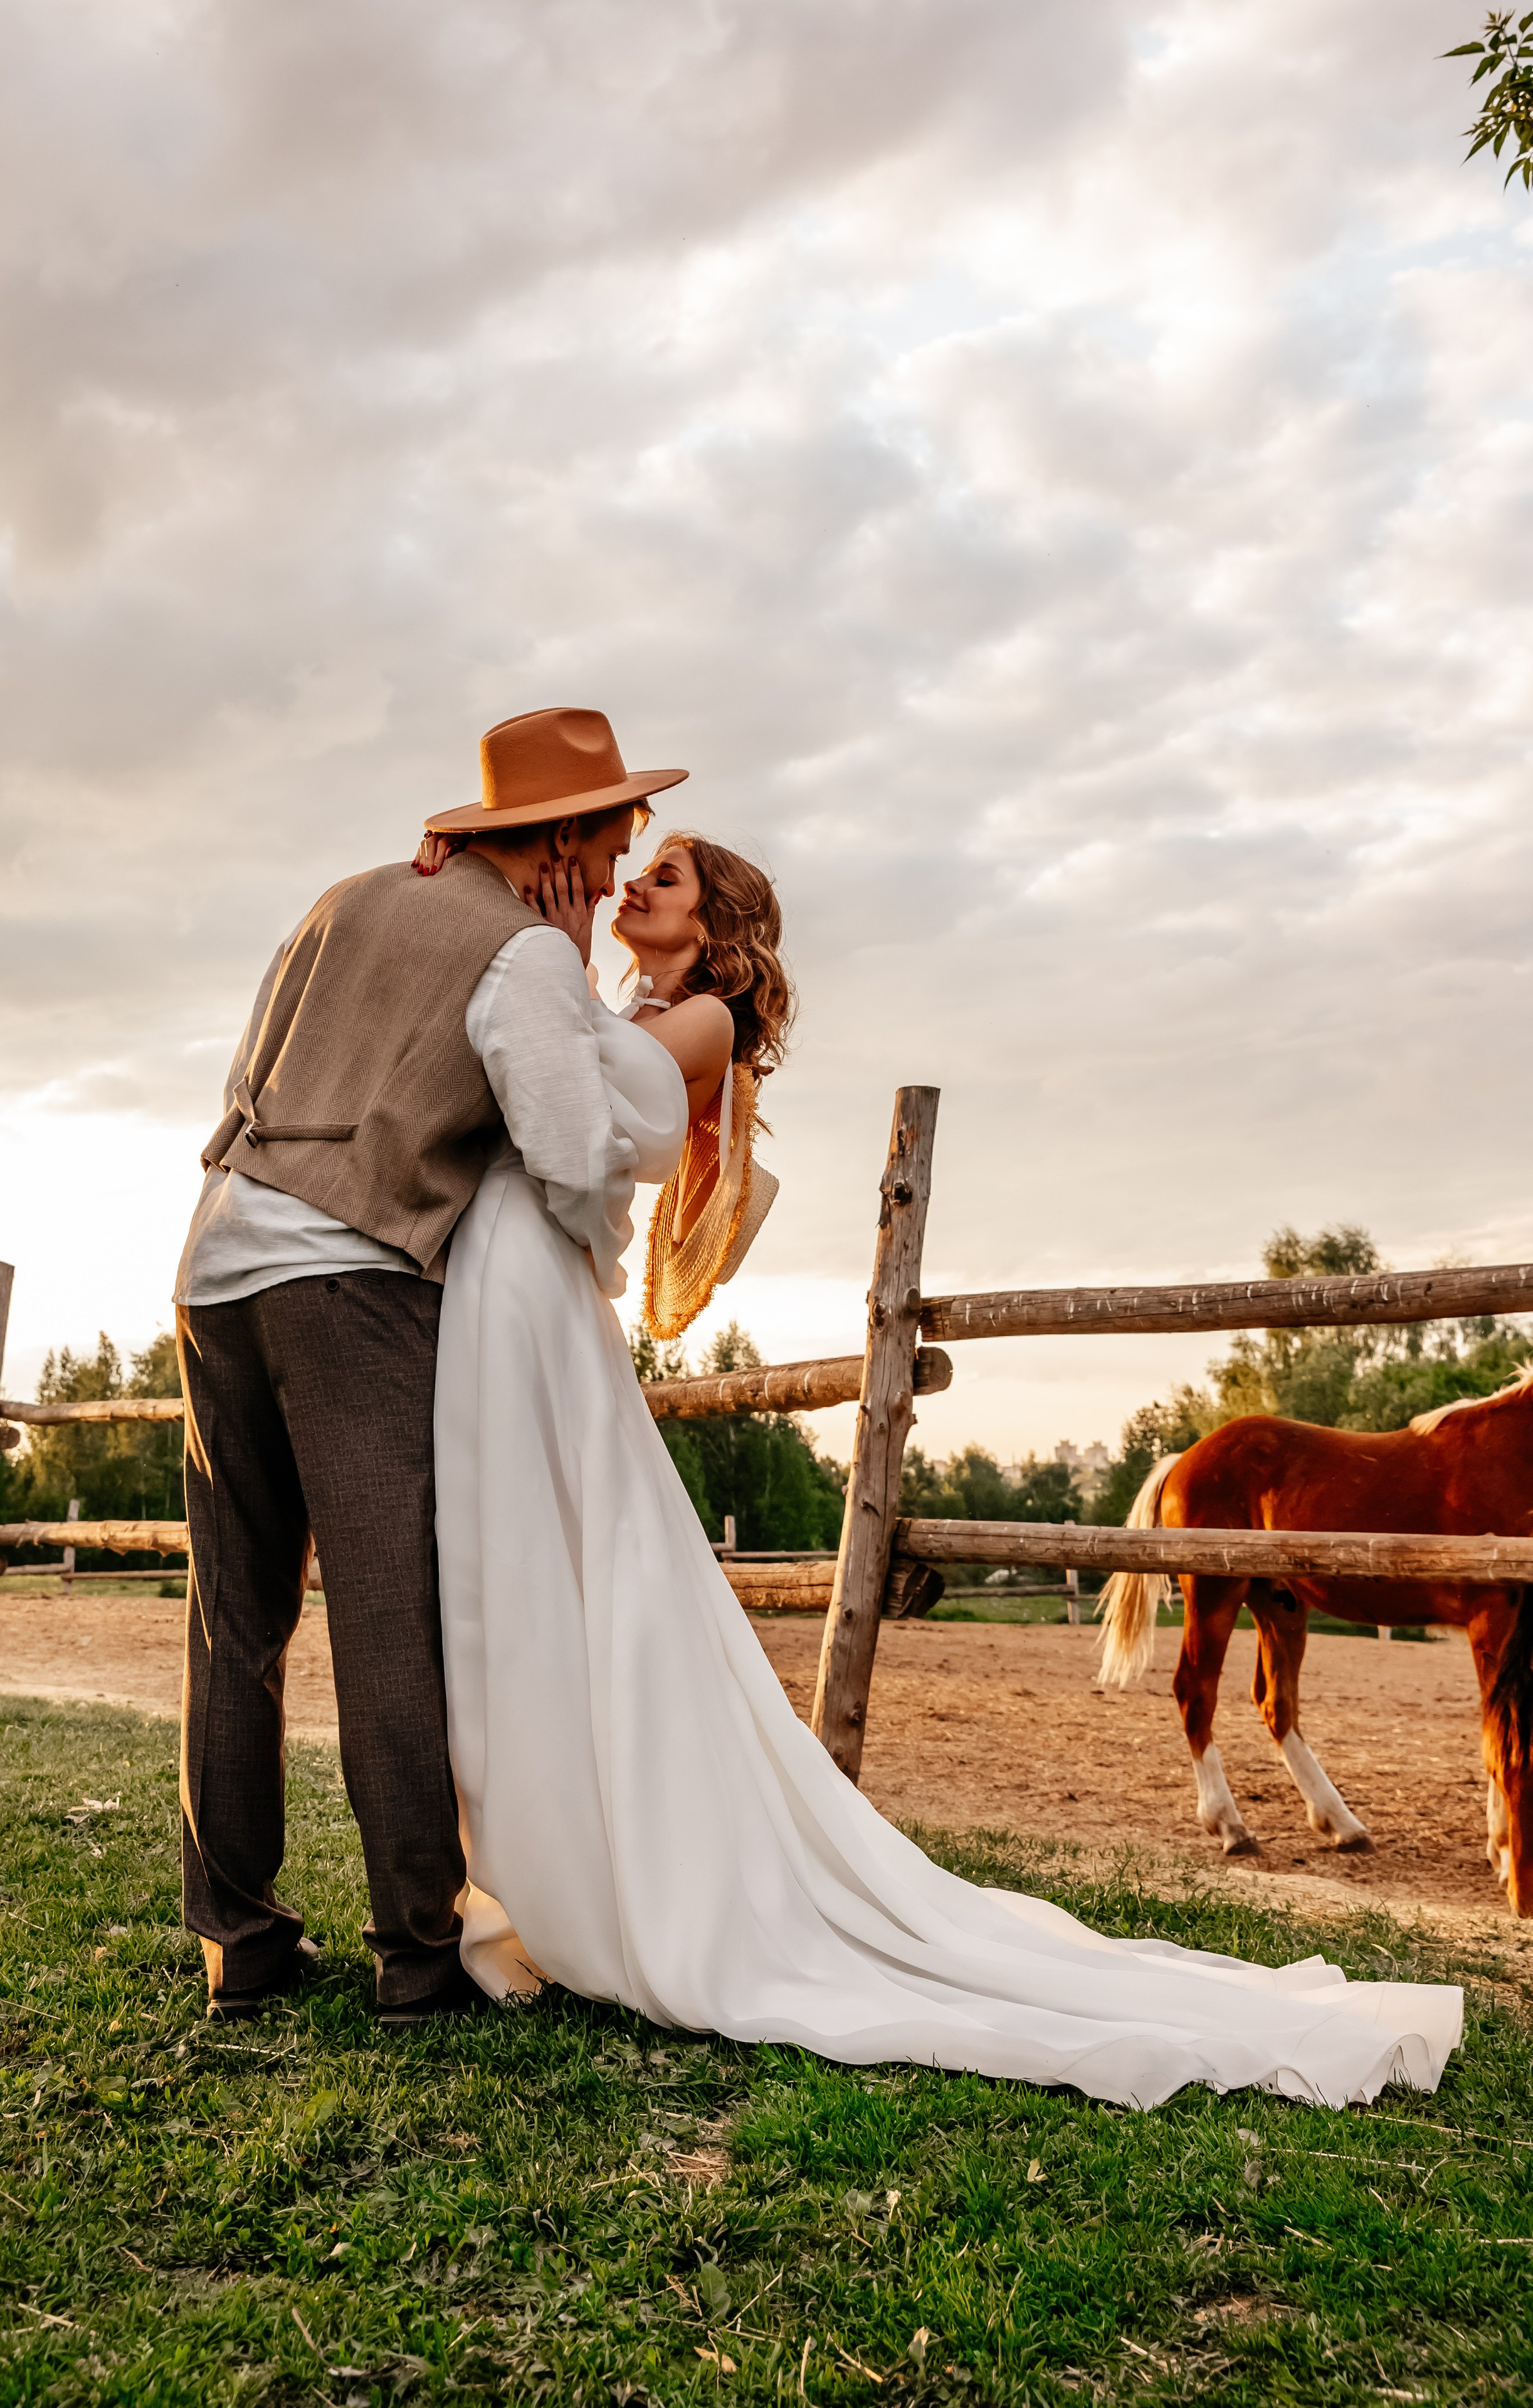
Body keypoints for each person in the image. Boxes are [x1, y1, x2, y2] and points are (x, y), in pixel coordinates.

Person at [434, 834, 1465, 2108]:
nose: (635, 886)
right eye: (630, 869)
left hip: (539, 1298)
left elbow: (562, 1107)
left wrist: (534, 947)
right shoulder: (631, 1002)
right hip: (527, 1304)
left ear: (716, 931)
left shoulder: (696, 1021)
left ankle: (625, 1885)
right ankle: (562, 1862)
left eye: (667, 880)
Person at [172, 707, 684, 2024]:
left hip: (216, 1259)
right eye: (617, 823)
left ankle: (240, 1941)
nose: (629, 846)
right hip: (350, 1276)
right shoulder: (515, 953)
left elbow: (242, 1083)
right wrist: (591, 1269)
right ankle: (413, 1947)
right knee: (388, 1609)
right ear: (559, 836)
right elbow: (572, 1156)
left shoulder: (339, 902)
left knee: (237, 1617)